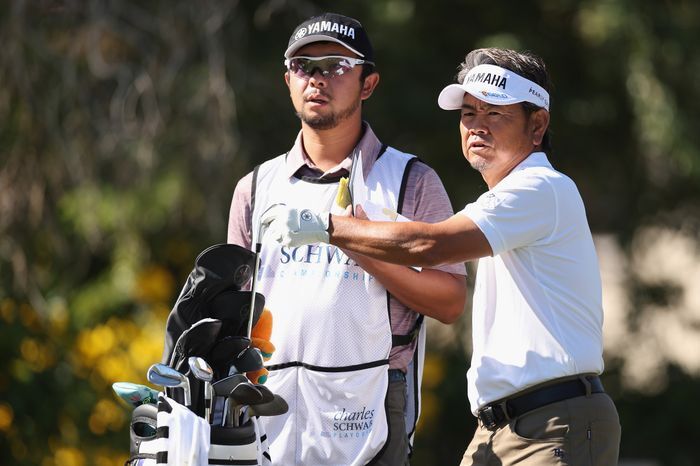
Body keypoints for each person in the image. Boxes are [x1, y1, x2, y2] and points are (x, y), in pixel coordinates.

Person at [262, 47, 622, 465]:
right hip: (502, 428)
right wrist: (354, 238)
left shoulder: (542, 188)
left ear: (537, 125)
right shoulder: (510, 198)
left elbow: (432, 246)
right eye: (469, 114)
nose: (477, 127)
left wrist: (326, 226)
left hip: (554, 422)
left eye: (496, 115)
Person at [227, 12, 467, 465]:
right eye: (304, 66)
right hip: (271, 402)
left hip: (372, 400)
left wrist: (356, 242)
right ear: (287, 81)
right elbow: (240, 310)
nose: (317, 79)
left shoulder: (412, 180)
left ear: (368, 84)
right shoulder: (255, 188)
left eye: (336, 66)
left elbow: (450, 301)